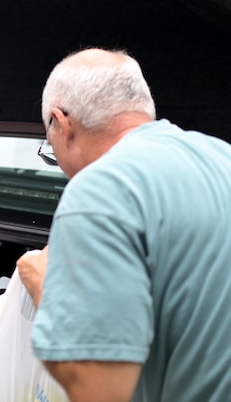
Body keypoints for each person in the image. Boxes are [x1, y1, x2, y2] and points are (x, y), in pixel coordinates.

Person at [17, 48, 231, 401]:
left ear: (62, 123)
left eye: (50, 148)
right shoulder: (221, 156)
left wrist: (46, 289)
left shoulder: (99, 189)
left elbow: (99, 392)